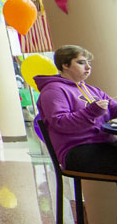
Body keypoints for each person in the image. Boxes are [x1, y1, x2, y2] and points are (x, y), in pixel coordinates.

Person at [35, 45, 117, 174]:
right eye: (81, 63)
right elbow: (60, 122)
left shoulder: (92, 90)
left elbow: (113, 108)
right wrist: (92, 111)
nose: (88, 67)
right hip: (76, 150)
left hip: (104, 144)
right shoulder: (53, 90)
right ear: (65, 65)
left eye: (89, 63)